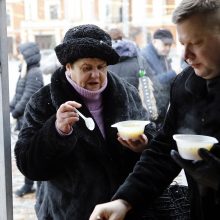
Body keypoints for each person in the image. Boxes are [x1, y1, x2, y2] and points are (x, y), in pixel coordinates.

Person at [89, 0, 220, 220]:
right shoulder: (183, 84)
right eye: (182, 43)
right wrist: (125, 200)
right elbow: (163, 150)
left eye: (196, 42)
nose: (186, 55)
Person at [14, 24, 157, 220]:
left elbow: (151, 134)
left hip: (123, 210)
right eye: (87, 68)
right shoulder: (43, 102)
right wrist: (56, 132)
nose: (96, 75)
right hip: (69, 212)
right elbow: (29, 165)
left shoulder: (126, 93)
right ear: (68, 67)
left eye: (101, 67)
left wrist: (144, 144)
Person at [10, 42, 44, 197]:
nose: (19, 56)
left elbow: (29, 96)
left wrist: (15, 112)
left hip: (31, 121)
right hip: (23, 119)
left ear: (28, 55)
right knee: (27, 153)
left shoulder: (34, 72)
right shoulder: (25, 70)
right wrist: (10, 107)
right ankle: (28, 185)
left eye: (21, 53)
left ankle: (35, 187)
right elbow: (19, 94)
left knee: (33, 154)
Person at [141, 28, 177, 129]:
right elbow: (153, 82)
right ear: (155, 41)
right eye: (165, 44)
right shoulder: (145, 56)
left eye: (170, 45)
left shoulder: (162, 54)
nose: (168, 48)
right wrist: (174, 73)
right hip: (152, 109)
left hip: (161, 106)